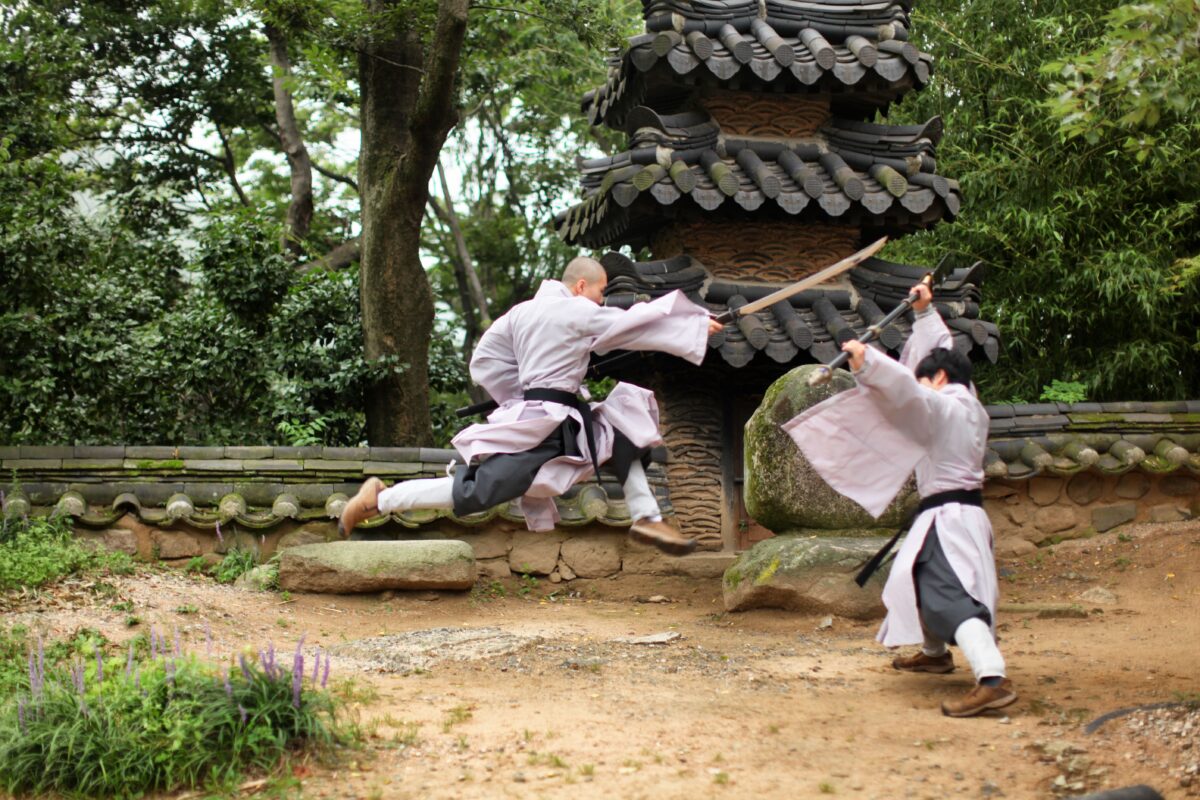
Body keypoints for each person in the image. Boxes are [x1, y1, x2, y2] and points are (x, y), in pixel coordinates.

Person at [339, 256, 724, 555]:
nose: (601, 300)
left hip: (548, 415)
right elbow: (630, 324)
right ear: (581, 285)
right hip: (549, 425)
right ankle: (382, 498)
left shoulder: (519, 314)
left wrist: (523, 393)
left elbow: (484, 362)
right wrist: (693, 325)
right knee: (476, 492)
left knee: (625, 432)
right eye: (600, 292)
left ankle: (647, 517)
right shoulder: (577, 309)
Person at [781, 282, 1016, 717]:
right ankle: (935, 654)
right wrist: (925, 315)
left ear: (940, 380)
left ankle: (991, 678)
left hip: (950, 519)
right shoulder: (967, 404)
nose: (920, 380)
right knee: (914, 581)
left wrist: (868, 363)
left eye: (926, 375)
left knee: (948, 596)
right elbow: (936, 361)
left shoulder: (947, 406)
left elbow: (910, 393)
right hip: (950, 516)